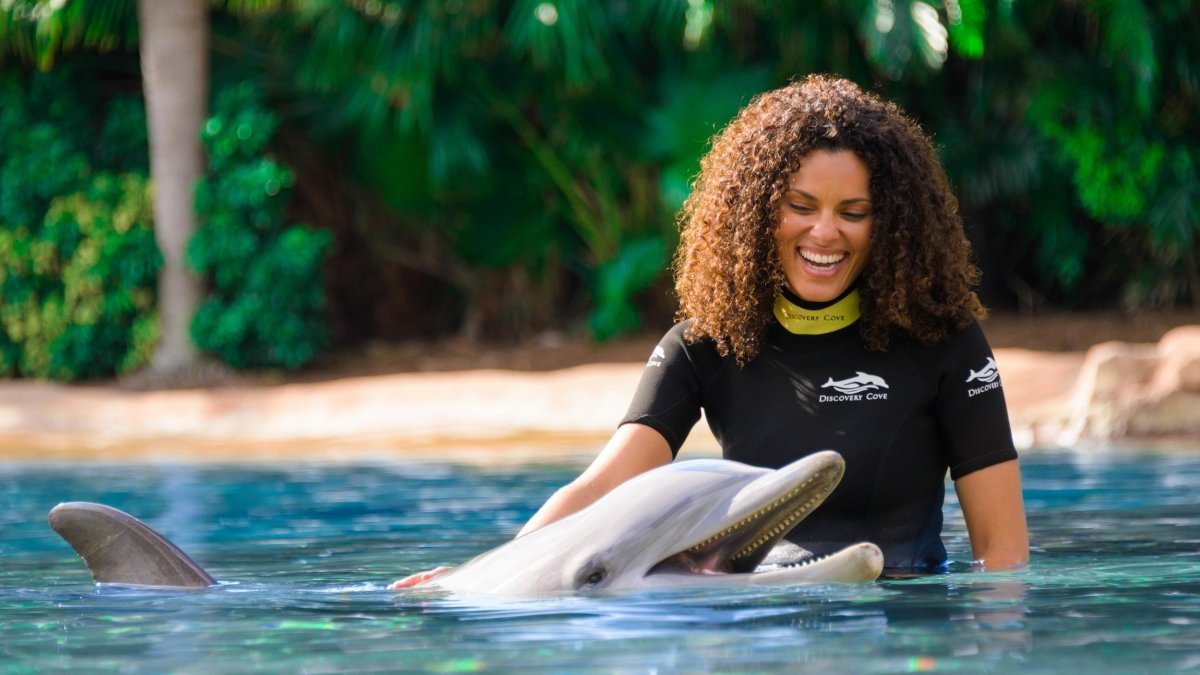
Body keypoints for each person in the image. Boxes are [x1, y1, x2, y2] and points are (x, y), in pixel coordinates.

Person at [391, 74, 1027, 588]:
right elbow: (599, 489)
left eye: (853, 213)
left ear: (890, 224)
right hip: (753, 616)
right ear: (758, 210)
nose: (825, 233)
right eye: (800, 207)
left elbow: (1002, 552)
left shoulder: (944, 342)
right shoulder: (708, 342)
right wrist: (483, 579)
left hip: (907, 615)